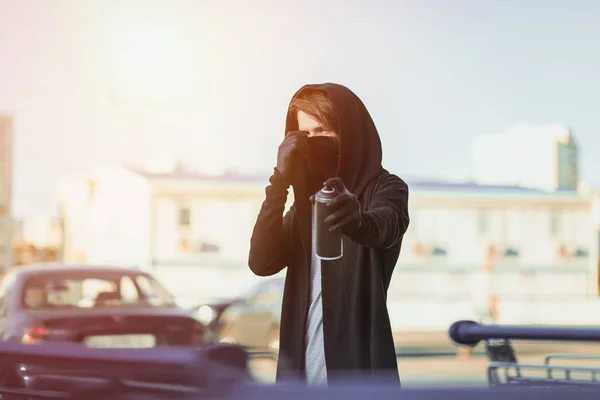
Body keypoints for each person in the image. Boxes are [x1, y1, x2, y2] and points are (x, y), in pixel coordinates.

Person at [248, 83, 410, 386]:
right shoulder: (305, 207)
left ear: (347, 132)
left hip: (357, 375)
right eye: (303, 135)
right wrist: (280, 181)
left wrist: (353, 218)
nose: (311, 144)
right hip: (299, 377)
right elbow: (261, 261)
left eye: (321, 132)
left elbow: (383, 227)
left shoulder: (385, 188)